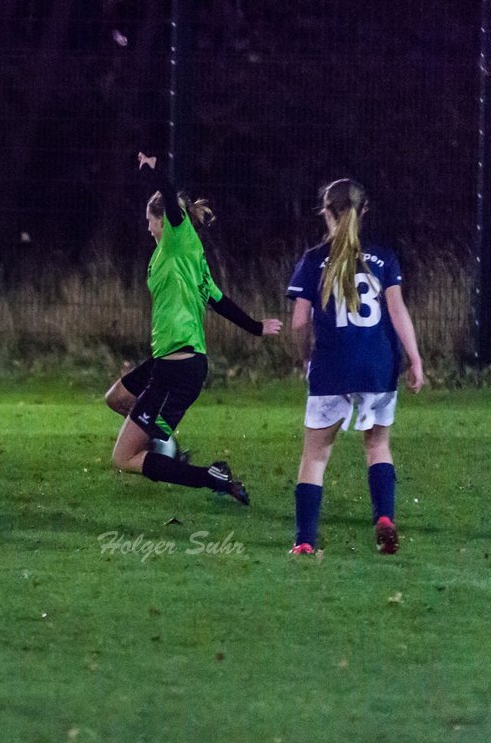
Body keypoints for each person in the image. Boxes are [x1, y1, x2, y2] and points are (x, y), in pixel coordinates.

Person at [105, 152, 281, 504]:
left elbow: (170, 199)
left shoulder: (179, 237)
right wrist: (256, 327)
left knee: (123, 458)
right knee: (117, 398)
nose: (147, 226)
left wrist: (156, 174)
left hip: (178, 366)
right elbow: (218, 301)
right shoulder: (176, 257)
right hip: (167, 359)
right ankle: (162, 441)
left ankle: (208, 476)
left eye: (149, 220)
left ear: (164, 221)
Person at [286, 178, 424, 556]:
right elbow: (397, 311)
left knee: (315, 456)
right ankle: (384, 518)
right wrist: (415, 359)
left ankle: (305, 542)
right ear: (364, 212)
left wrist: (305, 356)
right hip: (379, 366)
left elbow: (299, 323)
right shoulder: (383, 258)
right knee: (377, 444)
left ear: (326, 213)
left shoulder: (314, 260)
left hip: (332, 367)